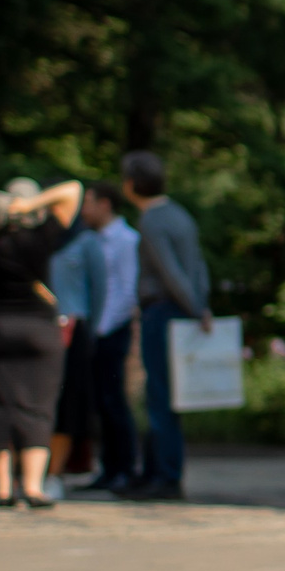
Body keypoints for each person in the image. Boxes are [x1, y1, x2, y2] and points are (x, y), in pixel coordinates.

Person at [0, 178, 83, 509]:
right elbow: (72, 190)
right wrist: (30, 204)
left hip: (0, 328)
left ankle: (3, 487)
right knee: (38, 408)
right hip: (40, 329)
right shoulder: (43, 237)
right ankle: (34, 486)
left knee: (0, 406)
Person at [120, 151, 212, 502]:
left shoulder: (152, 220)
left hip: (164, 311)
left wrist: (194, 307)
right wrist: (201, 304)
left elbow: (171, 272)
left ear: (132, 184)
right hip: (183, 309)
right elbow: (197, 266)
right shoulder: (180, 215)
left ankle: (164, 475)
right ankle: (155, 471)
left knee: (160, 396)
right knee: (167, 395)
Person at [46, 200, 108, 496]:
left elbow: (99, 290)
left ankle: (55, 474)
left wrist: (90, 331)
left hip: (74, 329)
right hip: (40, 327)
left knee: (68, 405)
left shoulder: (85, 241)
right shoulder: (38, 238)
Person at [82, 182, 141, 493]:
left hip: (111, 329)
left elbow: (127, 291)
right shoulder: (94, 240)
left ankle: (125, 468)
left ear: (105, 204)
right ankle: (108, 468)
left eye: (88, 202)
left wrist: (102, 328)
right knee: (101, 403)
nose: (83, 210)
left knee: (114, 401)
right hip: (98, 329)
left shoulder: (126, 240)